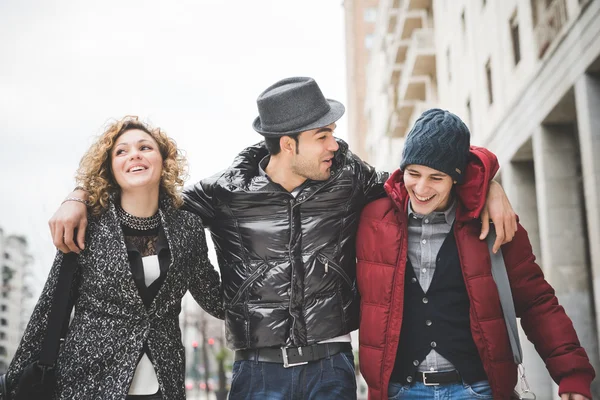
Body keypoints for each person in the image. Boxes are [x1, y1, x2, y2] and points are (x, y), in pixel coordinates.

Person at [48, 78, 517, 399]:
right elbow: (146, 192)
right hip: (257, 370)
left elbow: (424, 171)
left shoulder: (349, 178)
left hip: (332, 364)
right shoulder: (224, 192)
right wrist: (78, 193)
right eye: (324, 134)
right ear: (288, 144)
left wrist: (486, 178)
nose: (335, 143)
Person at [355, 108, 595, 400]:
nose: (421, 187)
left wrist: (572, 374)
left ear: (456, 178)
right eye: (413, 174)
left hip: (477, 389)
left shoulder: (495, 223)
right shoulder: (372, 220)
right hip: (400, 391)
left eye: (436, 178)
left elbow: (537, 302)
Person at [4, 117, 224, 399]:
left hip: (164, 384)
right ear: (111, 169)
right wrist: (14, 385)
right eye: (121, 151)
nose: (134, 154)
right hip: (87, 382)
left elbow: (215, 299)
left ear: (163, 161)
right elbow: (50, 307)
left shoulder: (188, 227)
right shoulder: (88, 224)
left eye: (145, 147)